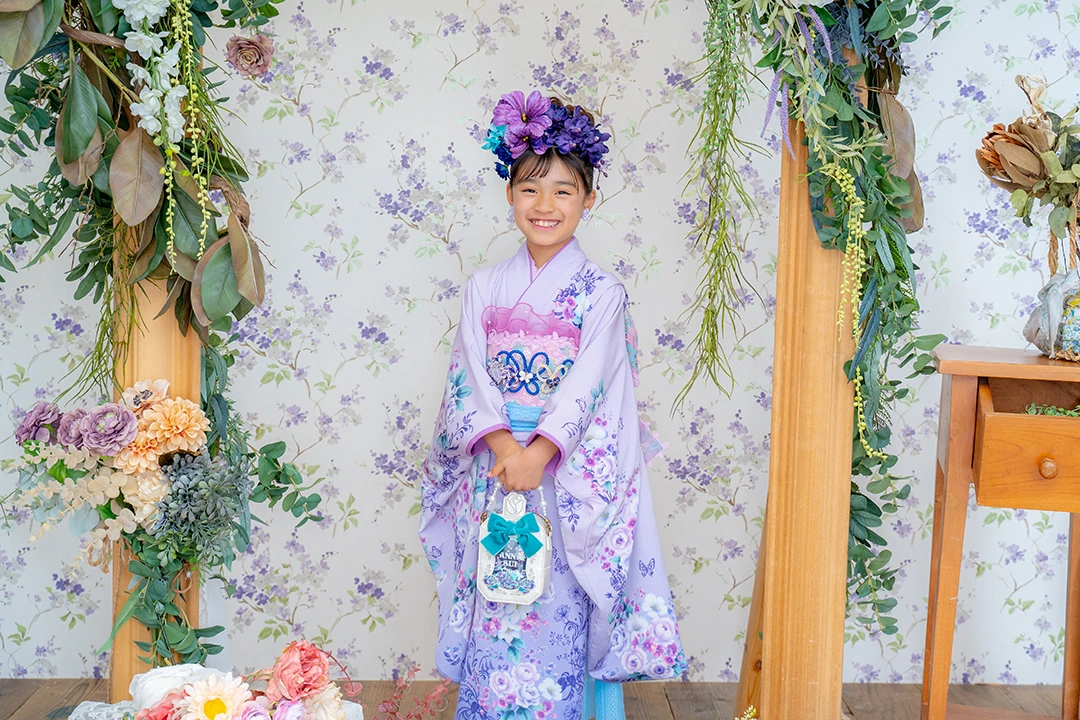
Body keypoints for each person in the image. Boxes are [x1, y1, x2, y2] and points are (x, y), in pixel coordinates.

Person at [420, 90, 685, 720]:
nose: (545, 205)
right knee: (498, 592)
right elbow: (468, 376)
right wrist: (505, 448)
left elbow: (595, 384)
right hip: (496, 466)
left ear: (589, 199)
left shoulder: (602, 292)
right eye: (530, 188)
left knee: (556, 600)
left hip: (563, 474)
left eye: (564, 190)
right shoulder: (484, 286)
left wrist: (538, 454)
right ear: (509, 195)